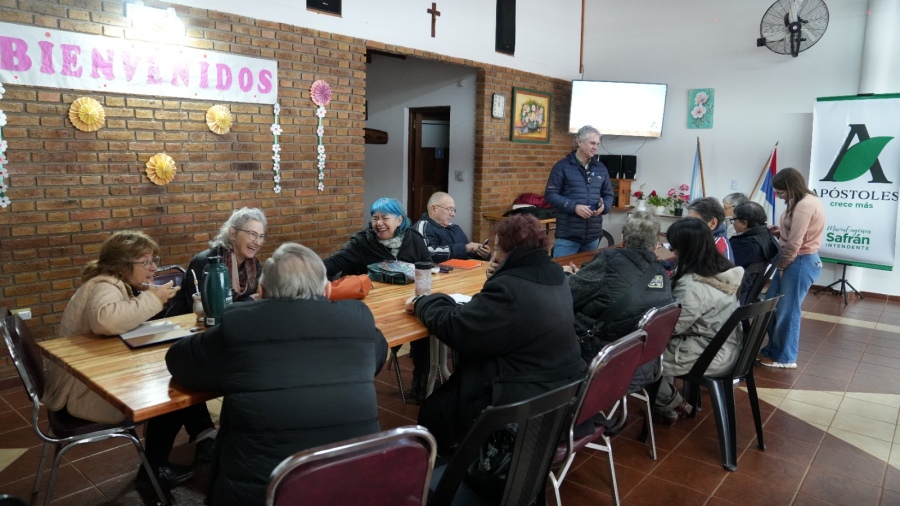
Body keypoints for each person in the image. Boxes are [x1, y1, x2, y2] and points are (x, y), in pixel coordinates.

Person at [167, 243, 387, 506]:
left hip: (260, 494)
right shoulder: (360, 320)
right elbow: (377, 358)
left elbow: (179, 362)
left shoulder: (240, 325)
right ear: (327, 290)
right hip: (352, 487)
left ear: (261, 292)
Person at [43, 230, 215, 490]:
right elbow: (106, 320)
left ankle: (205, 438)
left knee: (176, 380)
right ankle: (154, 470)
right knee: (170, 393)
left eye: (153, 260)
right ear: (122, 265)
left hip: (86, 378)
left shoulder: (112, 283)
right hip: (81, 393)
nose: (153, 267)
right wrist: (153, 298)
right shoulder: (105, 284)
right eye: (145, 262)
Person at [405, 214, 585, 454]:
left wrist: (423, 301)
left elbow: (456, 328)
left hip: (525, 395)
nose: (494, 254)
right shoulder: (555, 276)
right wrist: (498, 276)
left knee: (435, 409)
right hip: (561, 386)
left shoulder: (510, 287)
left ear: (509, 250)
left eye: (498, 248)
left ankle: (447, 472)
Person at [323, 197, 432, 400]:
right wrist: (305, 270)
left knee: (425, 325)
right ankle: (354, 391)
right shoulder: (362, 242)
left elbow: (427, 265)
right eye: (375, 218)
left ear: (399, 220)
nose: (378, 223)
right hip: (375, 310)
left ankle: (422, 384)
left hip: (407, 304)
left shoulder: (413, 239)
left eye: (385, 218)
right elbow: (335, 262)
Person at [567, 212, 673, 391]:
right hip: (639, 365)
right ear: (656, 244)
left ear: (623, 238)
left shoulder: (608, 260)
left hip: (597, 358)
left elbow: (569, 294)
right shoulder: (661, 273)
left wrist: (574, 277)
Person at [654, 218, 744, 424]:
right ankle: (666, 401)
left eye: (674, 248)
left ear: (685, 249)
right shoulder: (722, 268)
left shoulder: (692, 284)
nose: (672, 252)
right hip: (726, 347)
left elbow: (674, 327)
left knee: (638, 357)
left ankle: (672, 403)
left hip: (709, 354)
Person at [759, 168, 824, 369]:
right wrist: (781, 232)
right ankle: (774, 349)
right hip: (796, 260)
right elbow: (795, 233)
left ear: (791, 187)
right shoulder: (802, 200)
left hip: (800, 262)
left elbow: (796, 244)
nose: (779, 196)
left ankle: (785, 357)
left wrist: (781, 266)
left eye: (781, 192)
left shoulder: (804, 205)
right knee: (773, 306)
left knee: (788, 312)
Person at [172, 207, 268, 316]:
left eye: (261, 236)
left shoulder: (254, 266)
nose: (258, 242)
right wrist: (247, 302)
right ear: (232, 234)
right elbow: (205, 309)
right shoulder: (205, 263)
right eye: (252, 234)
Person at [545, 125, 614, 257]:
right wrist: (574, 207)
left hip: (593, 236)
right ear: (580, 142)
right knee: (563, 275)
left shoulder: (601, 168)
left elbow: (609, 195)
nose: (595, 147)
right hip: (567, 237)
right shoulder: (562, 166)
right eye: (592, 143)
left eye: (597, 144)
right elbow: (550, 195)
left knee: (587, 275)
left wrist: (604, 206)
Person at [414, 191, 490, 263]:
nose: (453, 214)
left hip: (464, 272)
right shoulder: (423, 227)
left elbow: (468, 254)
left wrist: (482, 254)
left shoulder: (455, 228)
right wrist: (465, 248)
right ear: (434, 209)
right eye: (449, 209)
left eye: (454, 210)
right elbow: (429, 253)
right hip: (441, 274)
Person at [730, 201, 782, 303]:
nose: (733, 223)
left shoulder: (745, 245)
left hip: (735, 297)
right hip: (748, 293)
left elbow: (724, 268)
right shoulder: (766, 236)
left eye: (734, 219)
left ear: (744, 223)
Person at [687, 197, 734, 263]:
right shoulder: (703, 236)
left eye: (694, 222)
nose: (687, 225)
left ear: (712, 223)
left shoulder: (718, 249)